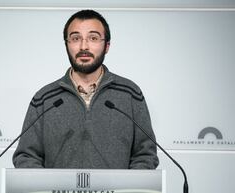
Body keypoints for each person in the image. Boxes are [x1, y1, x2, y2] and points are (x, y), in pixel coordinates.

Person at [13, 10, 159, 169]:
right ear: (66, 44)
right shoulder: (45, 98)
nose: (84, 46)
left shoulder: (130, 94)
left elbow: (145, 155)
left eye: (93, 38)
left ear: (107, 46)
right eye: (75, 38)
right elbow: (26, 156)